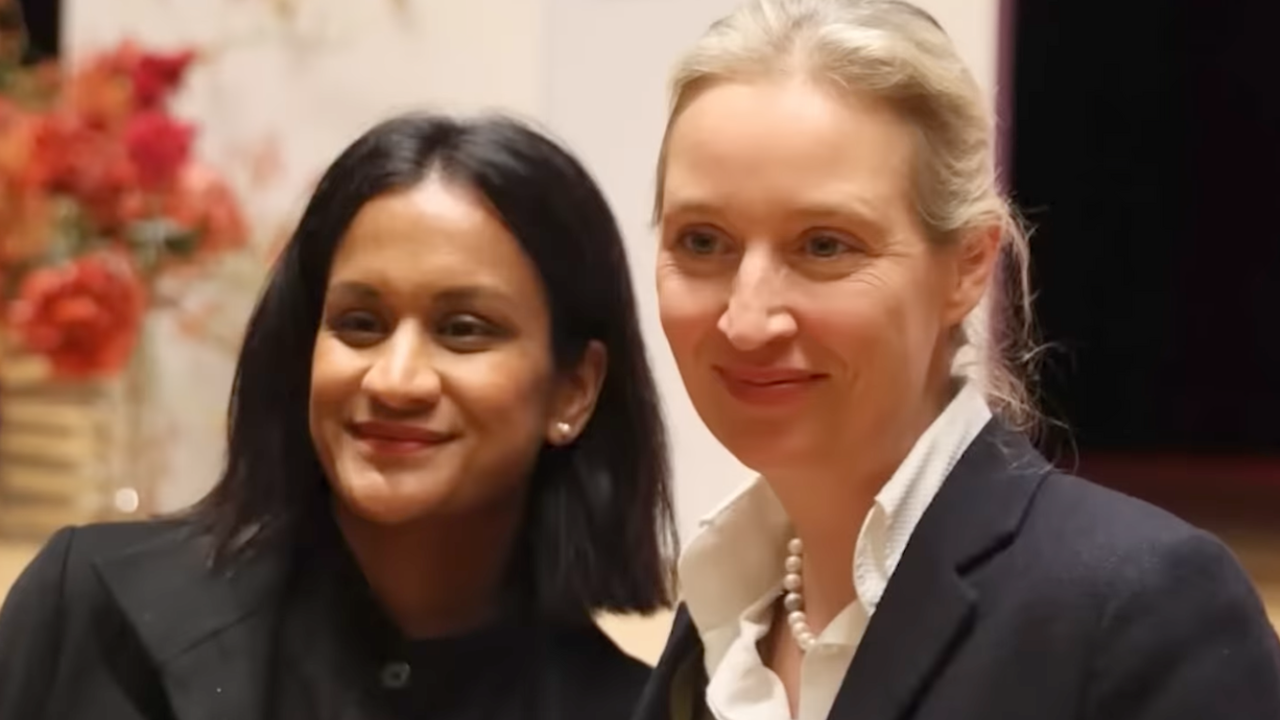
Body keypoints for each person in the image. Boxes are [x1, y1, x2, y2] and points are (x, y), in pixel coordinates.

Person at [633, 2, 1280, 719]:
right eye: (702, 242)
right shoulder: (722, 610)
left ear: (968, 266)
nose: (747, 320)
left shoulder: (1139, 611)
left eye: (824, 245)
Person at [0, 112, 676, 720]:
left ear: (573, 390)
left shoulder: (636, 710)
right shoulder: (100, 613)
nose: (394, 379)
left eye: (464, 330)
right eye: (360, 323)